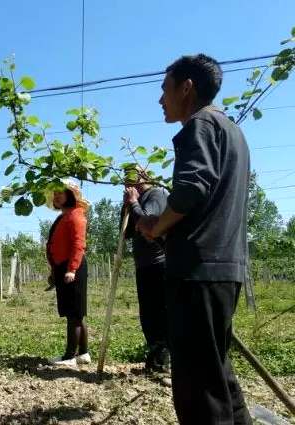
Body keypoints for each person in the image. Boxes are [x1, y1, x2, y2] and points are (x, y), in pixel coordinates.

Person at [137, 54, 253, 424]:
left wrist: (157, 226)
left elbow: (190, 190)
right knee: (216, 370)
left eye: (164, 89)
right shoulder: (232, 130)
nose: (160, 100)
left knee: (197, 387)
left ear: (186, 88)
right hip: (226, 267)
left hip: (197, 270)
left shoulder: (199, 125)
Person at [122, 168, 170, 373]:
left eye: (133, 178)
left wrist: (133, 203)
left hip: (159, 264)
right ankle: (155, 358)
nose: (129, 183)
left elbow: (150, 224)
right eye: (126, 179)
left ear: (146, 178)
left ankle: (165, 361)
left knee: (160, 313)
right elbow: (126, 235)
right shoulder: (138, 200)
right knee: (148, 315)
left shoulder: (156, 195)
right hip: (144, 265)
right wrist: (126, 208)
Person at [46, 180, 90, 367]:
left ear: (70, 196)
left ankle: (70, 356)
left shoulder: (75, 216)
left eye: (60, 193)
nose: (56, 196)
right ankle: (83, 354)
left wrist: (71, 269)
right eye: (55, 194)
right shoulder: (63, 217)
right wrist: (54, 270)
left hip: (73, 269)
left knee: (74, 314)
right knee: (75, 314)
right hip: (62, 268)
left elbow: (78, 245)